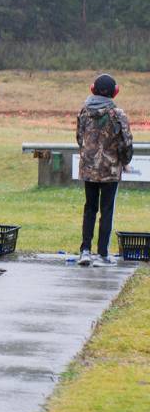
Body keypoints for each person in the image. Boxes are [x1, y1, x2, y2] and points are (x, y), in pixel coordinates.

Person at [76, 74, 133, 267]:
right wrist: (125, 161)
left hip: (89, 169)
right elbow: (126, 143)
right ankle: (102, 254)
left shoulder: (84, 111)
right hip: (110, 170)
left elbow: (79, 138)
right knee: (106, 210)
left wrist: (87, 157)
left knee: (89, 208)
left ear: (93, 89)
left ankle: (85, 251)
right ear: (114, 92)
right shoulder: (118, 114)